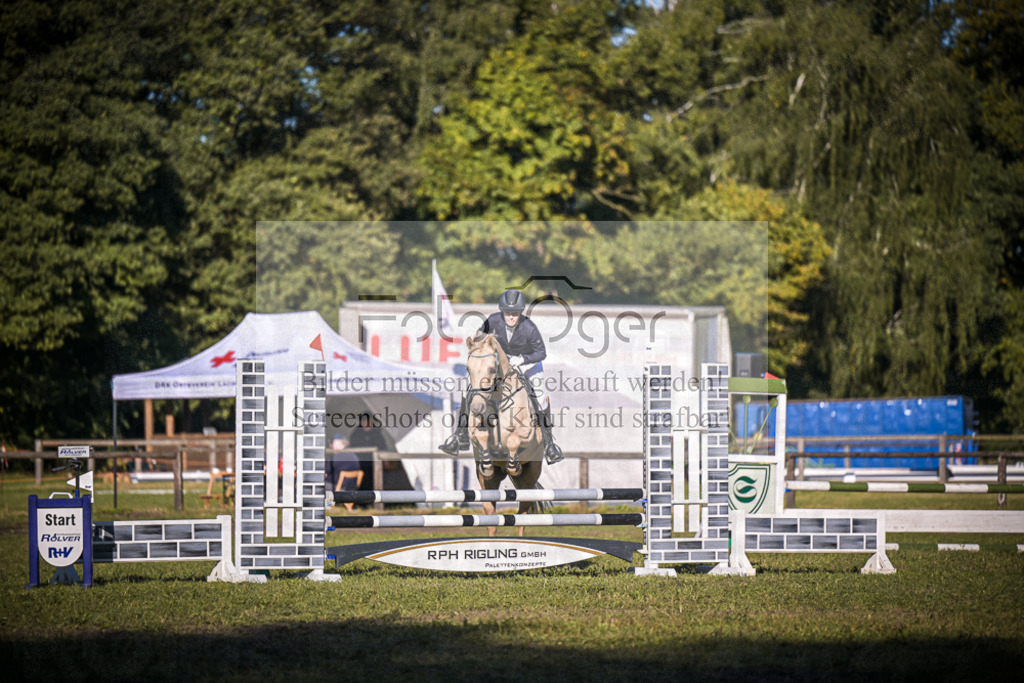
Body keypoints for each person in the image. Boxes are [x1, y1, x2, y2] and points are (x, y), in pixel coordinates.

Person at [439, 289, 563, 464]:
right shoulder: (492, 320)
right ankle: (459, 436)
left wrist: (522, 359)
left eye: (515, 313)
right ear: (502, 311)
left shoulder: (529, 327)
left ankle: (550, 445)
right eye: (508, 313)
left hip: (527, 363)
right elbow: (478, 339)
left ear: (520, 313)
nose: (511, 317)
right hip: (498, 364)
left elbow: (541, 353)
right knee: (469, 387)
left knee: (541, 396)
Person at [348, 412, 389, 490]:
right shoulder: (356, 432)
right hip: (360, 462)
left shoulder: (376, 433)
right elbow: (352, 446)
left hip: (374, 463)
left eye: (367, 420)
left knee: (374, 481)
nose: (365, 422)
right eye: (363, 421)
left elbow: (383, 446)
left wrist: (386, 460)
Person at [325, 433, 362, 509]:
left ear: (340, 443)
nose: (330, 445)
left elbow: (326, 470)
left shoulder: (337, 456)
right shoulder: (353, 455)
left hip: (339, 488)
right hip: (351, 489)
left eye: (333, 442)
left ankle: (329, 505)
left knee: (319, 484)